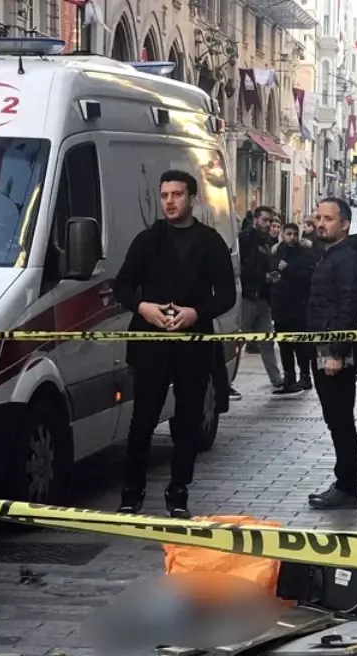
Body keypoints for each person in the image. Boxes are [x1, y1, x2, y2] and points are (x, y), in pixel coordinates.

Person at [114, 170, 236, 518]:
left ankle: (179, 491)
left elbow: (226, 295)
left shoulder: (211, 242)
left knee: (188, 421)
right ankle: (131, 492)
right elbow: (122, 285)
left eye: (177, 194)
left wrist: (196, 313)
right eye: (165, 195)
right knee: (143, 420)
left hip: (194, 345)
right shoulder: (147, 239)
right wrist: (144, 308)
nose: (170, 201)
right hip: (151, 342)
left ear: (192, 198)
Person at [306, 198, 357, 510]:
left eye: (328, 218)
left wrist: (337, 352)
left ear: (345, 224)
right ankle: (343, 482)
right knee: (335, 420)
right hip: (322, 346)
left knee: (341, 420)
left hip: (334, 352)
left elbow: (350, 307)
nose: (321, 223)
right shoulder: (329, 254)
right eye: (318, 217)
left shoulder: (348, 258)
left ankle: (347, 487)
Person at [238, 205, 284, 389]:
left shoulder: (267, 242)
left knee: (267, 341)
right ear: (255, 220)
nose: (267, 224)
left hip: (263, 298)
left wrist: (272, 275)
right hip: (248, 297)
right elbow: (242, 268)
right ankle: (224, 382)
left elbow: (264, 266)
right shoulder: (245, 239)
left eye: (270, 221)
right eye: (264, 220)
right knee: (238, 340)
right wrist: (261, 277)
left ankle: (276, 379)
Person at [269, 223, 318, 395]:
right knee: (284, 344)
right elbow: (272, 269)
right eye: (288, 234)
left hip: (299, 305)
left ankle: (305, 376)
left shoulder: (305, 252)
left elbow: (308, 276)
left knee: (300, 344)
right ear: (282, 234)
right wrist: (271, 277)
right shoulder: (277, 251)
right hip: (281, 305)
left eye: (294, 234)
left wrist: (288, 270)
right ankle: (289, 377)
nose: (291, 237)